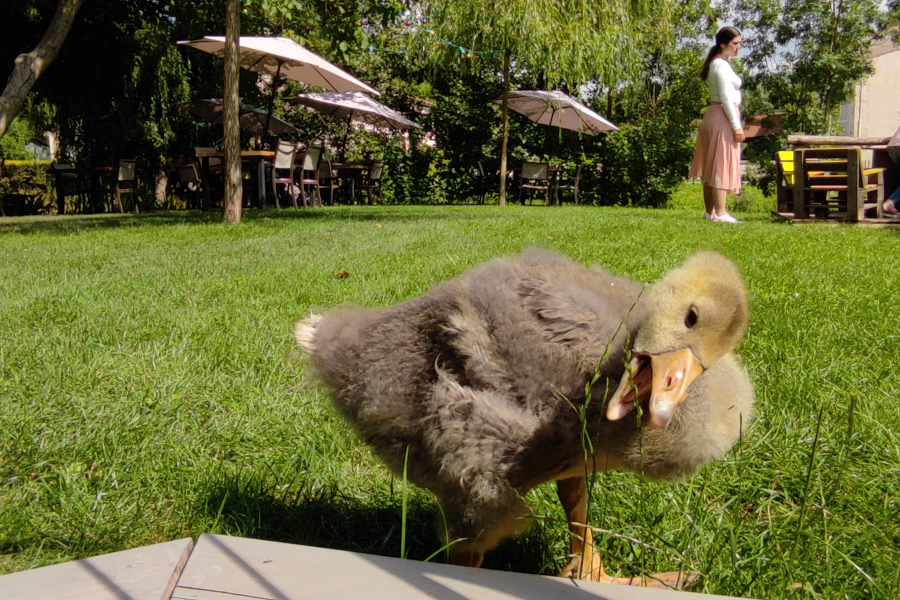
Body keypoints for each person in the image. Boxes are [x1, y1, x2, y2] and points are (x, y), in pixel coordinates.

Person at [690, 26, 744, 224]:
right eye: (735, 43)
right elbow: (725, 98)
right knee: (720, 162)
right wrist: (736, 126)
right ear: (723, 44)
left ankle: (710, 211)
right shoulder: (720, 65)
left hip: (716, 115)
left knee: (712, 163)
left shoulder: (720, 64)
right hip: (721, 116)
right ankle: (720, 213)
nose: (738, 47)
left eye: (739, 43)